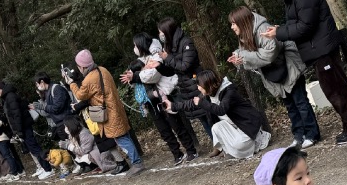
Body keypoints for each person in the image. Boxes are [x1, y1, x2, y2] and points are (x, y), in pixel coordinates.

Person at [261, 0, 347, 144]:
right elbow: (299, 22)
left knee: (336, 90)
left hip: (322, 49)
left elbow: (305, 26)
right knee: (333, 89)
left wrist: (279, 32)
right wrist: (281, 29)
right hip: (317, 49)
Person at [227, 6, 319, 149]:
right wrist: (239, 58)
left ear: (242, 21)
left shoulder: (263, 28)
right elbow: (249, 56)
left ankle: (312, 134)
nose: (232, 27)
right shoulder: (244, 35)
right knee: (290, 106)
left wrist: (244, 56)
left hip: (289, 67)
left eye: (234, 23)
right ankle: (299, 135)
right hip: (275, 74)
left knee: (301, 102)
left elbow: (269, 53)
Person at [126, 33, 199, 165]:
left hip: (164, 95)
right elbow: (134, 78)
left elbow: (153, 76)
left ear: (141, 44)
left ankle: (191, 150)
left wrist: (136, 75)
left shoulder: (156, 54)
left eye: (135, 45)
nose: (134, 48)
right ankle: (177, 154)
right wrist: (134, 77)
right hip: (150, 101)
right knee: (164, 130)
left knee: (176, 125)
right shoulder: (140, 60)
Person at [67, 50, 144, 176]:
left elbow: (80, 95)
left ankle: (137, 164)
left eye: (79, 66)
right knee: (125, 136)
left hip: (109, 113)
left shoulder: (89, 79)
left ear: (82, 66)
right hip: (116, 108)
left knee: (121, 139)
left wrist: (72, 84)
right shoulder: (103, 70)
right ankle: (136, 161)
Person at [166, 70, 271, 160]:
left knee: (239, 145)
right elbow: (192, 103)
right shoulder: (209, 92)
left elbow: (221, 110)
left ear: (207, 84)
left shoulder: (229, 91)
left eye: (199, 85)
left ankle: (259, 138)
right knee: (216, 128)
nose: (198, 88)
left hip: (247, 125)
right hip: (234, 125)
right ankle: (225, 150)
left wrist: (203, 103)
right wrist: (173, 106)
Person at [0, 80, 55, 180]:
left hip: (24, 126)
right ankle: (44, 168)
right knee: (32, 148)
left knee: (34, 147)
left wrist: (18, 131)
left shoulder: (10, 96)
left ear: (1, 88)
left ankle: (48, 169)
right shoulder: (6, 97)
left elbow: (16, 114)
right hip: (22, 127)